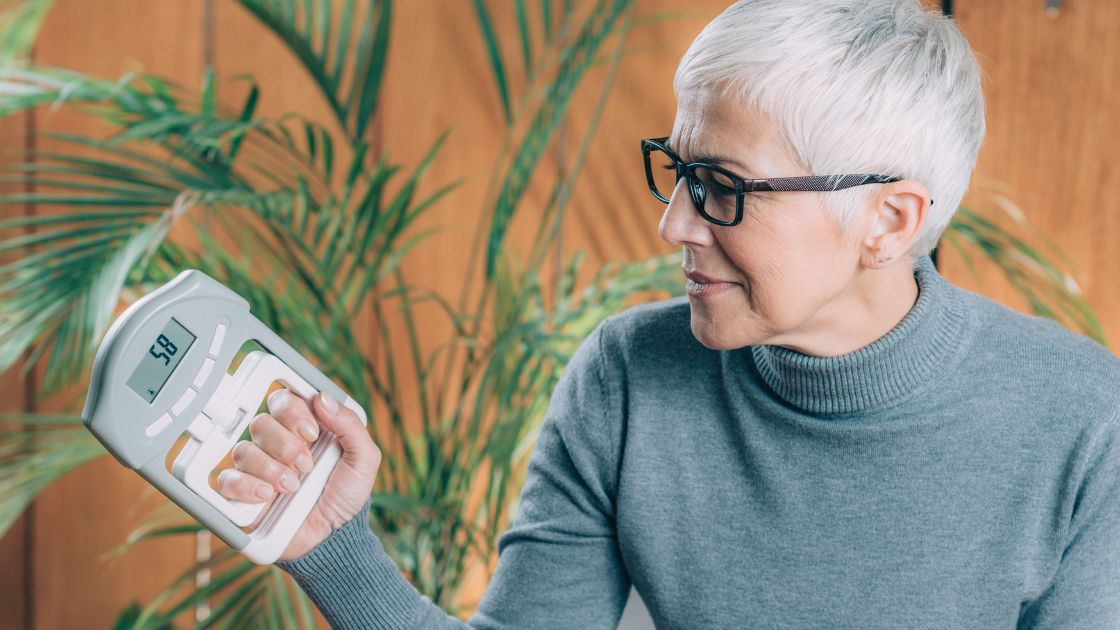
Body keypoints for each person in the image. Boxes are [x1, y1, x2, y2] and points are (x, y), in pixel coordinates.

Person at [217, 0, 1120, 627]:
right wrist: (330, 543)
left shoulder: (1083, 420)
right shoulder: (627, 378)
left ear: (888, 221)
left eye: (723, 187)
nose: (673, 223)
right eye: (680, 172)